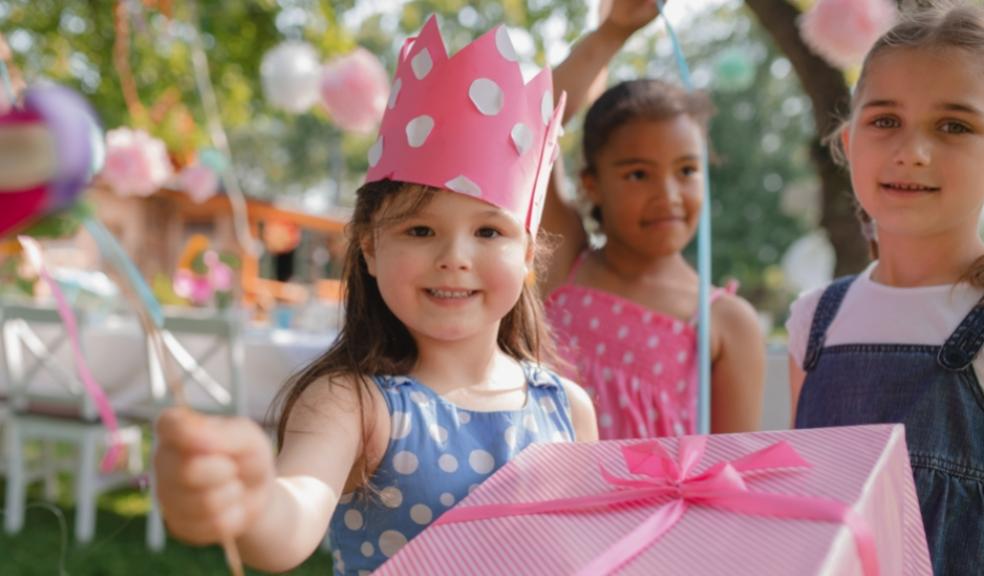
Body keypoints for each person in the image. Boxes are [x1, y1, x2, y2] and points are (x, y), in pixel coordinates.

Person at [153, 16, 596, 575]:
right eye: (418, 229)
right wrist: (250, 501)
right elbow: (291, 518)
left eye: (489, 231)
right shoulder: (354, 404)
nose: (455, 257)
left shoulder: (568, 408)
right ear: (368, 248)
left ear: (527, 255)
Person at [787, 4, 984, 573]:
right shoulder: (813, 321)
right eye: (885, 120)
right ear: (848, 145)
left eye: (954, 125)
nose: (912, 150)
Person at [540, 4, 765, 439]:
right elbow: (533, 118)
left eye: (687, 170)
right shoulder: (564, 261)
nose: (668, 195)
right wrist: (614, 32)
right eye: (638, 174)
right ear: (592, 184)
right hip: (550, 507)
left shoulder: (727, 323)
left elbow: (728, 475)